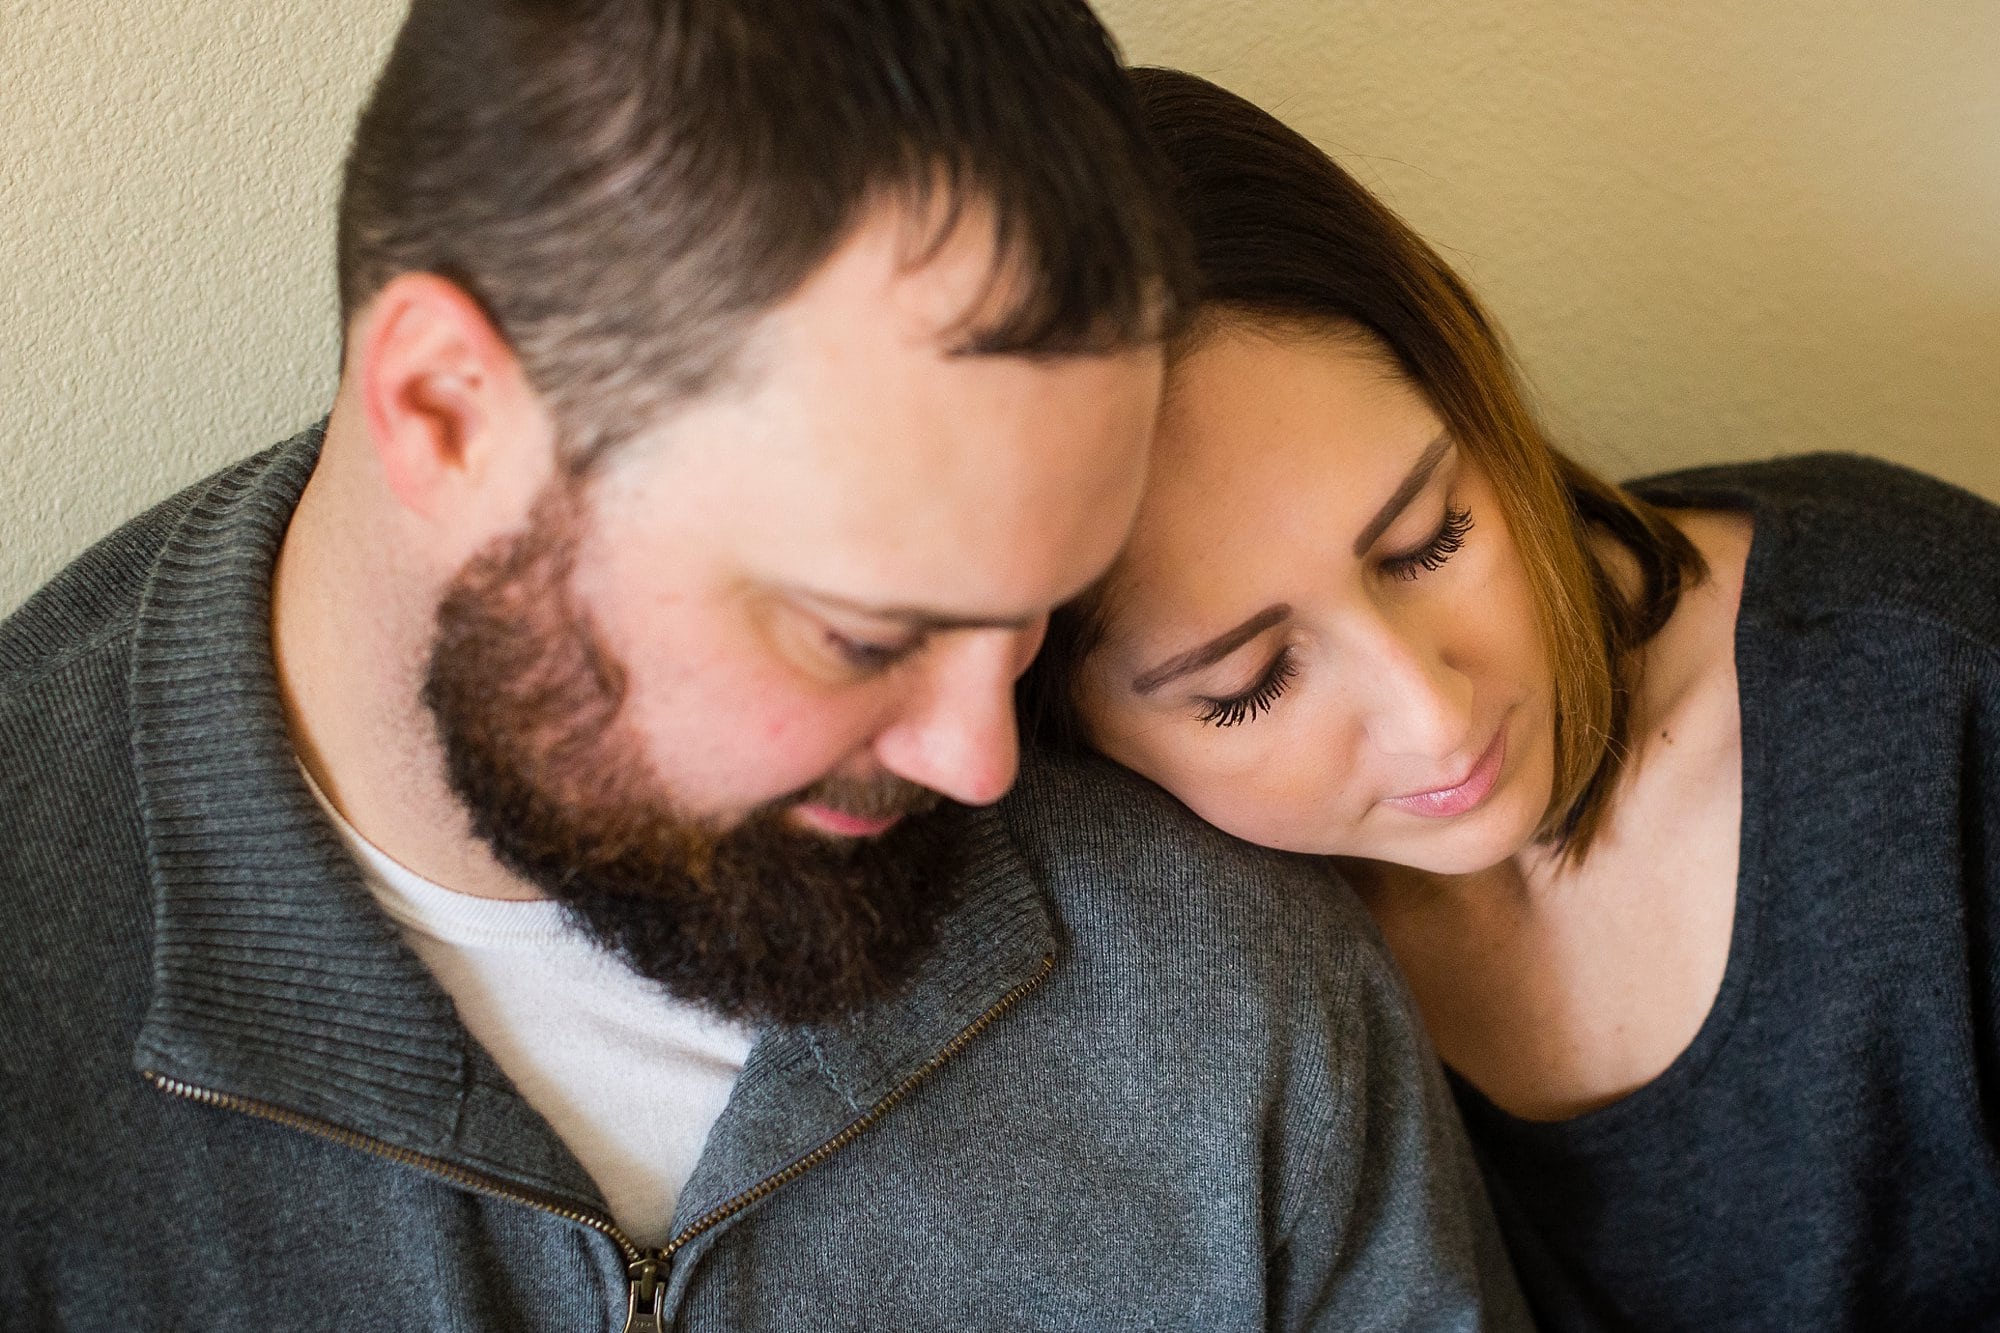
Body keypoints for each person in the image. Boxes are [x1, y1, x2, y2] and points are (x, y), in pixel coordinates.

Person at [0, 5, 1532, 1329]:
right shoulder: (37, 999)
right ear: (449, 411)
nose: (983, 761)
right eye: (863, 634)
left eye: (1042, 615)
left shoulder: (1218, 983)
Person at [1025, 65, 2000, 1331]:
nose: (1433, 718)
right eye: (1247, 683)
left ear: (1472, 389)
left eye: (1428, 540)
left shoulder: (1939, 683)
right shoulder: (1142, 971)